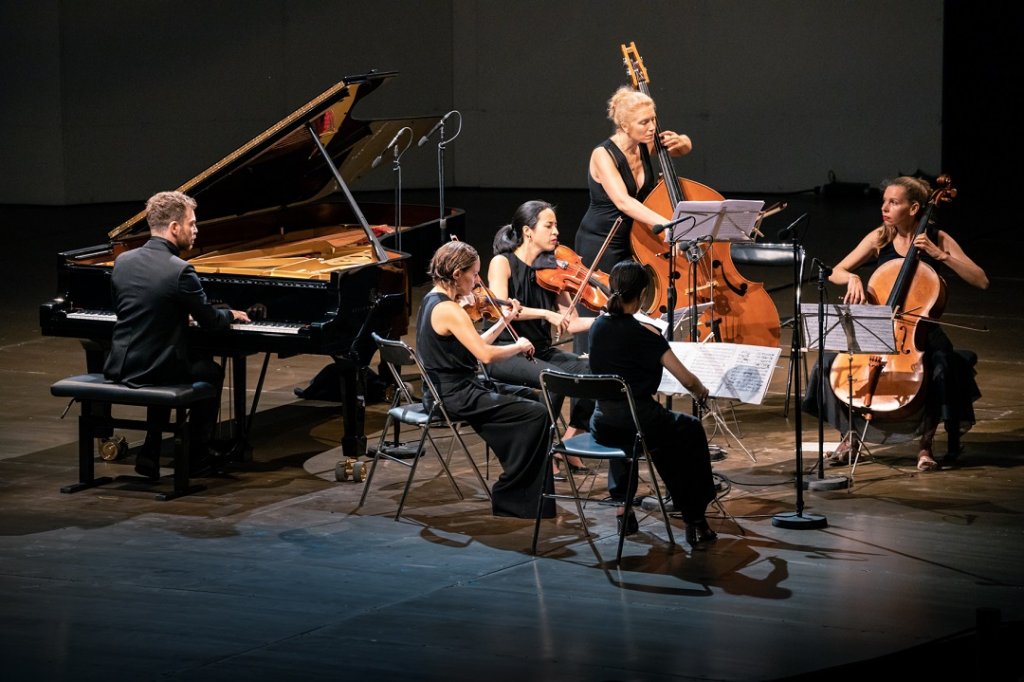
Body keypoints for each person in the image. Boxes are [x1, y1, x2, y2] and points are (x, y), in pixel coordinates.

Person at [803, 176, 988, 472]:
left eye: (894, 202)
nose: (885, 208)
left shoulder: (938, 238)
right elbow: (836, 270)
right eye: (884, 201)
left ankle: (925, 446)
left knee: (940, 367)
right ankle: (849, 436)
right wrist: (852, 277)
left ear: (915, 207)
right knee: (827, 363)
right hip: (878, 329)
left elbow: (981, 280)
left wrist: (942, 256)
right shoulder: (881, 236)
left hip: (920, 334)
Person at [103, 191, 251, 478]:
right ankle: (197, 454)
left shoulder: (123, 261)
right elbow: (209, 321)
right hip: (158, 368)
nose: (196, 230)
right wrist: (230, 314)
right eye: (192, 224)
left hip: (121, 365)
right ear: (174, 228)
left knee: (167, 355)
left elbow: (128, 309)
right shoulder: (181, 270)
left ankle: (151, 449)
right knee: (209, 371)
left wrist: (175, 315)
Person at [416, 240, 555, 519]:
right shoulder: (448, 310)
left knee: (531, 398)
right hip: (454, 396)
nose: (477, 281)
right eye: (474, 274)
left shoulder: (434, 300)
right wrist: (517, 345)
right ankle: (513, 493)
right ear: (457, 274)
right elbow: (485, 355)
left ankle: (524, 484)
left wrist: (505, 321)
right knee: (537, 414)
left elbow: (473, 344)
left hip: (457, 388)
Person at [587, 259, 718, 548]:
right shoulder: (646, 334)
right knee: (689, 430)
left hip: (602, 423)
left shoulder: (597, 326)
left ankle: (624, 509)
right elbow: (687, 380)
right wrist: (702, 391)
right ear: (644, 293)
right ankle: (695, 519)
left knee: (632, 430)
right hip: (639, 421)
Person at [574, 86, 693, 355]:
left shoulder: (646, 144)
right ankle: (588, 376)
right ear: (624, 125)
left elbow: (681, 148)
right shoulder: (602, 155)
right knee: (598, 311)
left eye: (653, 119)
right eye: (644, 122)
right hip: (600, 242)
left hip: (633, 241)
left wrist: (683, 141)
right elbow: (624, 202)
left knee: (628, 310)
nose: (652, 127)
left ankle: (623, 368)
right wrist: (669, 227)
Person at [485, 200, 596, 480]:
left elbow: (570, 322)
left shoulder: (553, 270)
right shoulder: (503, 263)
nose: (556, 231)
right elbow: (504, 310)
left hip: (541, 352)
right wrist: (547, 314)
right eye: (549, 225)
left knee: (596, 371)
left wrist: (611, 319)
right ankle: (541, 450)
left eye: (556, 225)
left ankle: (570, 442)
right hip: (505, 351)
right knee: (555, 378)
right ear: (528, 231)